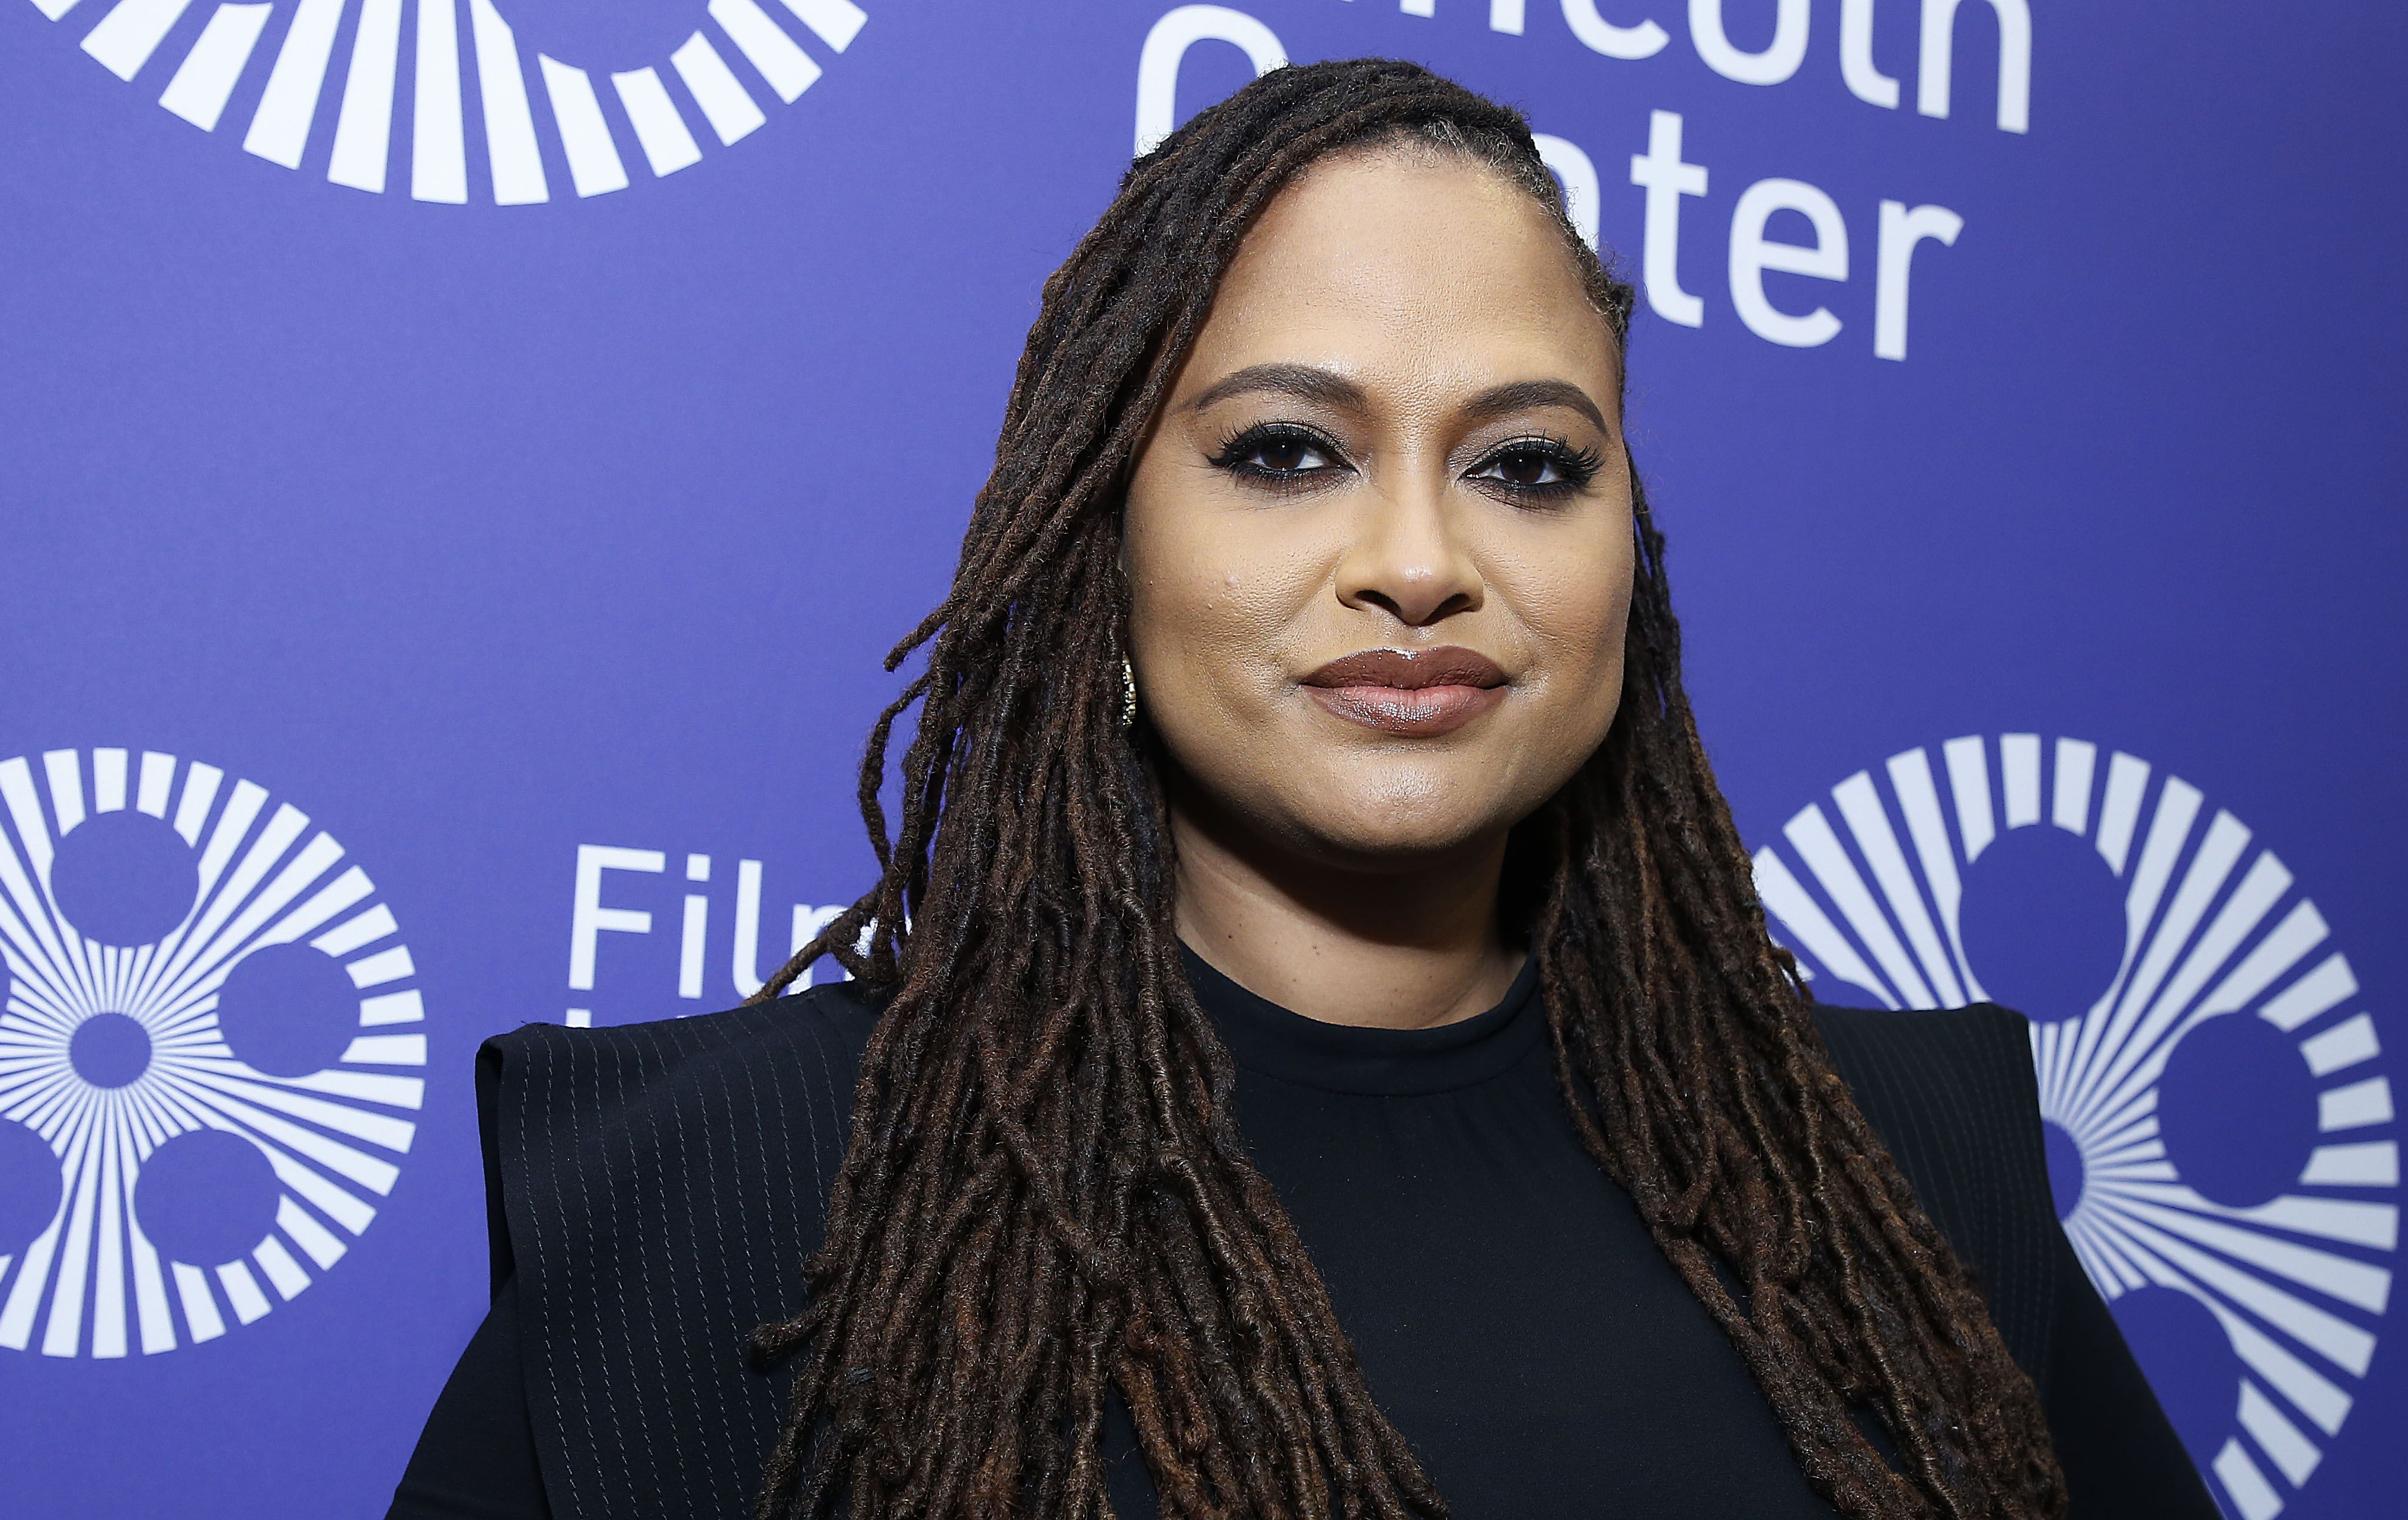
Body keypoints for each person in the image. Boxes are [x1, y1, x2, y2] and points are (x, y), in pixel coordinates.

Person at [389, 59, 2214, 1520]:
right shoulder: (710, 1195)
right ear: (1099, 542)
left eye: (1525, 464)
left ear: (1629, 562)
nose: (1416, 559)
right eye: (1284, 451)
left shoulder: (1903, 1170)